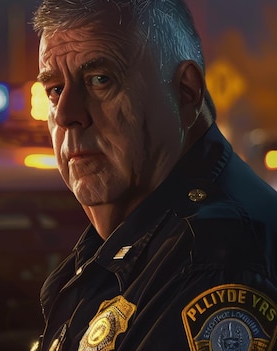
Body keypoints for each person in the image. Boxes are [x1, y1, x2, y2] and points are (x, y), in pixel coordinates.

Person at [31, 0, 277, 350]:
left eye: (100, 80)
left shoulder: (216, 263)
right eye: (55, 90)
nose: (67, 115)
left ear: (185, 92)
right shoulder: (140, 242)